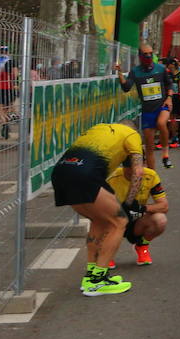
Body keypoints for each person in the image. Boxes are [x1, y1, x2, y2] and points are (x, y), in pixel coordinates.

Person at [49, 122, 142, 296]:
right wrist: (130, 204)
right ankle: (98, 282)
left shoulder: (98, 128)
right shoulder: (132, 135)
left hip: (61, 172)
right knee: (119, 222)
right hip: (85, 174)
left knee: (98, 220)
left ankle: (92, 275)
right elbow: (137, 172)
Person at [118, 47, 174, 170]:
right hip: (148, 111)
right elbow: (126, 87)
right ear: (140, 56)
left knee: (161, 122)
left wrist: (169, 98)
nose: (148, 56)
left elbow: (169, 83)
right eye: (145, 54)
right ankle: (152, 176)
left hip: (162, 105)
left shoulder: (160, 69)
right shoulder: (135, 72)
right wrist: (119, 73)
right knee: (149, 147)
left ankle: (165, 154)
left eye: (150, 54)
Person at [106, 162, 170, 267]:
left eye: (138, 169)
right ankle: (106, 253)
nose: (134, 173)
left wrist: (143, 208)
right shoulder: (112, 177)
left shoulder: (151, 175)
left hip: (136, 220)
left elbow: (164, 206)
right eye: (129, 169)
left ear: (144, 165)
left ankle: (142, 246)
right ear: (123, 167)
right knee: (100, 219)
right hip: (114, 220)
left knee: (160, 219)